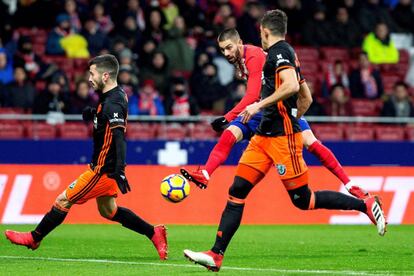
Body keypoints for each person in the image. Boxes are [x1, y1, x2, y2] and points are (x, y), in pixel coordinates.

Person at [183, 10, 386, 272]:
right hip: (263, 137)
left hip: (280, 138)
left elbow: (290, 86)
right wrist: (291, 116)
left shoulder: (278, 53)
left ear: (264, 31)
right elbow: (307, 97)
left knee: (302, 199)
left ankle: (364, 204)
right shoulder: (282, 54)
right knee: (237, 191)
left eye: (260, 33)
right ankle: (216, 254)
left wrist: (266, 111)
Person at [5, 54, 168, 260]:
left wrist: (120, 170)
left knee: (63, 200)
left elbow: (119, 137)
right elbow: (109, 124)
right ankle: (154, 232)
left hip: (102, 170)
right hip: (105, 167)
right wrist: (95, 114)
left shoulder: (113, 103)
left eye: (92, 74)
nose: (89, 78)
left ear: (106, 75)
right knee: (108, 211)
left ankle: (34, 238)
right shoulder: (116, 95)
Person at [181, 28, 369, 199]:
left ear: (239, 43)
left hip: (279, 109)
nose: (226, 53)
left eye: (229, 48)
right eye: (223, 50)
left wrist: (227, 117)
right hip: (260, 110)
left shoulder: (254, 56)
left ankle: (350, 184)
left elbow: (253, 94)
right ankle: (205, 174)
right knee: (229, 134)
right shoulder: (241, 59)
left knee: (311, 143)